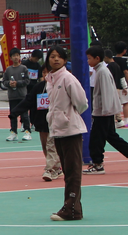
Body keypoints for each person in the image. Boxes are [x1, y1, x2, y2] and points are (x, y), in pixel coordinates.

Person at [44, 47, 87, 221]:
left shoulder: (68, 78)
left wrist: (68, 116)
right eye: (52, 57)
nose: (55, 59)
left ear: (64, 60)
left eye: (59, 57)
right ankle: (74, 209)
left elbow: (82, 102)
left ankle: (70, 209)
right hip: (58, 130)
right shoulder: (50, 80)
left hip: (71, 130)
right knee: (67, 171)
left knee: (73, 171)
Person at [84, 45, 128, 175]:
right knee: (112, 137)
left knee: (96, 139)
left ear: (97, 58)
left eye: (89, 58)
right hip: (104, 111)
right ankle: (98, 163)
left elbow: (106, 92)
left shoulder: (102, 71)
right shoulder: (101, 70)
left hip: (103, 112)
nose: (88, 61)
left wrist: (106, 111)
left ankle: (97, 164)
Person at [22, 65, 62, 182]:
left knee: (51, 146)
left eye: (48, 72)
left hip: (54, 121)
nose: (46, 75)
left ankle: (49, 170)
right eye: (44, 73)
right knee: (46, 147)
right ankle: (57, 166)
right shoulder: (38, 87)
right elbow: (30, 102)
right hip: (41, 122)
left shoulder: (58, 86)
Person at [0, 49, 31, 141]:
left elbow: (27, 81)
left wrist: (17, 83)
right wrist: (9, 83)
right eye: (14, 56)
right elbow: (4, 81)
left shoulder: (24, 68)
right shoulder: (8, 70)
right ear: (11, 58)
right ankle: (13, 132)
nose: (16, 57)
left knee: (24, 114)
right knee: (13, 114)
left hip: (22, 95)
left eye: (17, 55)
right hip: (12, 96)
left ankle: (27, 132)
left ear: (20, 57)